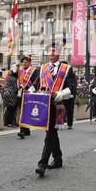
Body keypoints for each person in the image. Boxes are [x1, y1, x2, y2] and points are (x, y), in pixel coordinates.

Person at [35, 45, 75, 177]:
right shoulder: (42, 68)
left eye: (54, 51)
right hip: (44, 105)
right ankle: (58, 158)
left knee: (50, 133)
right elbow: (35, 84)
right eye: (49, 51)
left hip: (58, 105)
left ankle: (42, 164)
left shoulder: (66, 69)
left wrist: (61, 93)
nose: (51, 53)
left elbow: (72, 87)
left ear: (59, 53)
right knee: (51, 133)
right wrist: (29, 91)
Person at [11, 56, 39, 139]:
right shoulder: (20, 71)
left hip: (29, 92)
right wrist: (15, 66)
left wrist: (30, 90)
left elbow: (36, 82)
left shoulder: (34, 71)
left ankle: (22, 131)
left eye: (26, 62)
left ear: (29, 63)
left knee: (25, 111)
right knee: (22, 111)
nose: (24, 64)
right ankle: (26, 130)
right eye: (23, 62)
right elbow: (12, 74)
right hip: (20, 93)